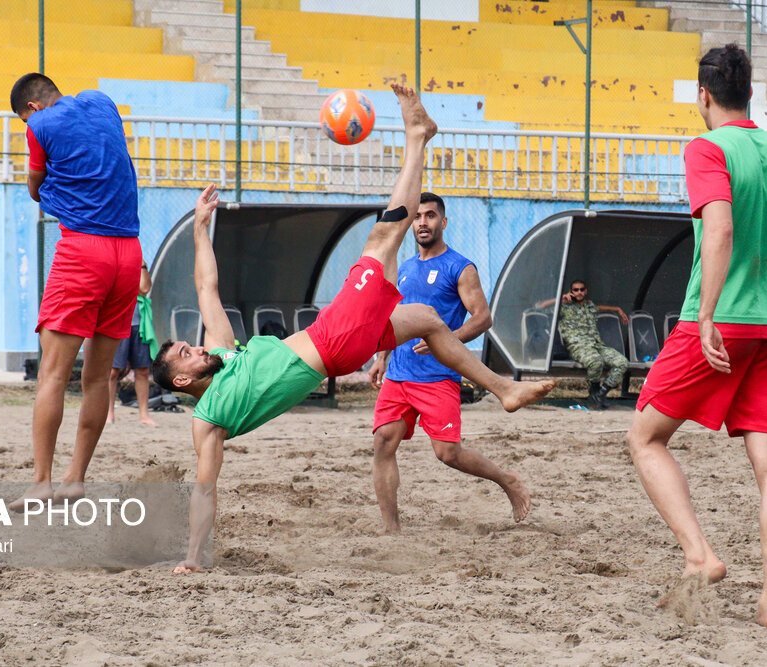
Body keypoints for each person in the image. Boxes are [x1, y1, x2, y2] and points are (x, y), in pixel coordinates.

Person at [149, 84, 555, 573]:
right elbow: (205, 487)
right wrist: (194, 557)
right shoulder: (209, 417)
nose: (195, 348)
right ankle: (416, 136)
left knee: (427, 318)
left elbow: (206, 288)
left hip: (337, 339)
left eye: (189, 345)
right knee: (385, 235)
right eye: (185, 355)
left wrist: (198, 227)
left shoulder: (225, 355)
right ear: (181, 382)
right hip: (332, 340)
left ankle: (501, 388)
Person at [625, 44, 767, 629]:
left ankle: (700, 555)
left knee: (646, 437)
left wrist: (707, 315)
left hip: (720, 323)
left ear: (703, 96)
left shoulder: (707, 147)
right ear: (750, 93)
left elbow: (721, 227)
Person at [8, 73, 143, 510]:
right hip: (128, 253)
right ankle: (75, 479)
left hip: (84, 250)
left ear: (31, 108)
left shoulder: (39, 126)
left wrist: (44, 186)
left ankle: (42, 483)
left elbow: (35, 187)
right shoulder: (101, 103)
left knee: (52, 373)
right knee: (97, 378)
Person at [369, 191, 529, 533]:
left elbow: (483, 318)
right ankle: (390, 529)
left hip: (437, 377)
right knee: (383, 441)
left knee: (448, 454)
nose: (422, 222)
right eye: (417, 217)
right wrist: (381, 357)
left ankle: (506, 480)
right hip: (398, 375)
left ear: (443, 222)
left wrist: (446, 340)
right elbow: (392, 316)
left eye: (429, 216)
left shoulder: (460, 266)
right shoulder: (406, 267)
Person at [541, 280, 629, 409]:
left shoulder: (590, 306)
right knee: (596, 362)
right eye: (575, 290)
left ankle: (600, 394)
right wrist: (561, 298)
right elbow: (540, 306)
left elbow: (602, 308)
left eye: (582, 289)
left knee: (622, 362)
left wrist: (618, 310)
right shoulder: (564, 308)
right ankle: (594, 391)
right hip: (578, 347)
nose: (579, 292)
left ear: (585, 291)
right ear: (571, 292)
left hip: (597, 345)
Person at [107, 261, 159, 426]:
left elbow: (144, 289)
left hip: (139, 325)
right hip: (117, 322)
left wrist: (142, 266)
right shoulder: (114, 263)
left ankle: (144, 415)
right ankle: (109, 413)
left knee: (142, 371)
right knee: (113, 372)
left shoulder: (138, 263)